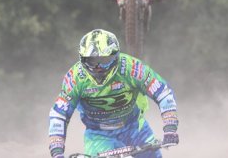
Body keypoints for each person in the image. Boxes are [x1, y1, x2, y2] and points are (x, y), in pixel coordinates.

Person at [48, 29, 179, 158]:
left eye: (105, 60)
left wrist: (170, 127)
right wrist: (57, 151)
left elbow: (163, 93)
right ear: (82, 59)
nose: (98, 68)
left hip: (134, 128)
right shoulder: (75, 78)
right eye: (92, 61)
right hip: (99, 136)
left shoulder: (131, 68)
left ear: (116, 56)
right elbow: (59, 114)